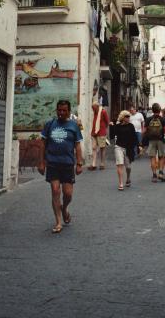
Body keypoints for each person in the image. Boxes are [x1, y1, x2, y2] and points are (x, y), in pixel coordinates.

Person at [38, 99, 83, 234]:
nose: (61, 113)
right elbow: (42, 144)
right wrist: (41, 162)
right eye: (59, 110)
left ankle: (64, 209)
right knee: (55, 191)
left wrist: (79, 163)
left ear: (69, 111)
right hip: (53, 163)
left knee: (68, 194)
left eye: (64, 110)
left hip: (68, 164)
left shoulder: (73, 126)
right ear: (56, 110)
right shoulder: (49, 124)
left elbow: (77, 146)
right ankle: (58, 222)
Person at [111, 110, 139, 190]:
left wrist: (138, 146)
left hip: (128, 148)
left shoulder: (131, 126)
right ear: (123, 118)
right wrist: (112, 126)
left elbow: (134, 137)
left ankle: (128, 178)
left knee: (128, 167)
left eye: (129, 116)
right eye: (127, 116)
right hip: (119, 147)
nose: (128, 118)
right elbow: (112, 135)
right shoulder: (118, 126)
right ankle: (121, 183)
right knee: (120, 164)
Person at [145, 103, 165, 182]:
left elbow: (144, 130)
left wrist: (141, 141)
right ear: (159, 110)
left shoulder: (148, 119)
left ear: (152, 110)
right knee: (161, 157)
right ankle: (160, 172)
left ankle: (154, 175)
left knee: (152, 158)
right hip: (160, 140)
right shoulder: (162, 119)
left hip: (151, 140)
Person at [89, 98, 110, 170]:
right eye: (92, 108)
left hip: (101, 133)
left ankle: (102, 163)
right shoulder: (95, 112)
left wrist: (103, 129)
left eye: (94, 108)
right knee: (94, 148)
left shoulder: (103, 112)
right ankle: (93, 164)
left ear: (97, 107)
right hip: (94, 132)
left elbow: (107, 122)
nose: (93, 110)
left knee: (102, 148)